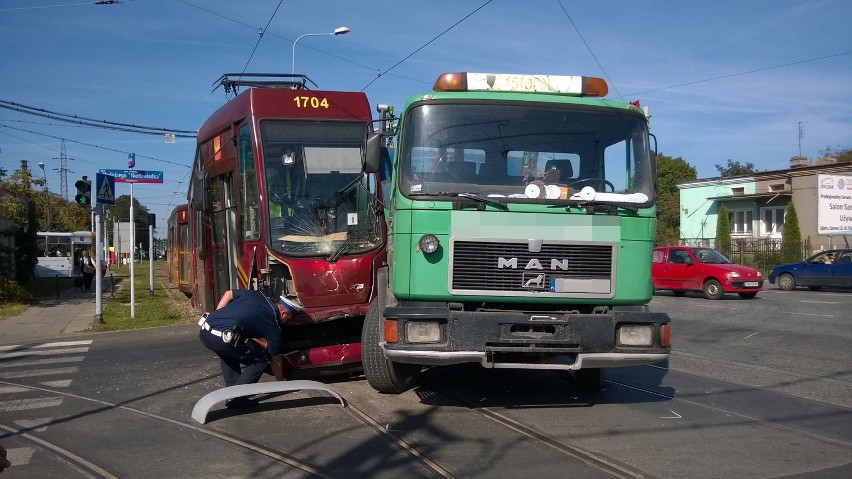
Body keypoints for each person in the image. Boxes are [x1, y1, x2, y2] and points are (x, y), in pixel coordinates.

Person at [198, 290, 292, 408]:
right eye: (288, 318)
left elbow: (228, 293)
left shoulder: (257, 295)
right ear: (283, 313)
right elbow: (275, 360)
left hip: (205, 331)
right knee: (261, 359)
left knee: (230, 351)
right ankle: (237, 397)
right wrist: (281, 383)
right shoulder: (273, 323)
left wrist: (218, 315)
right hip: (222, 338)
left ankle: (232, 389)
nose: (286, 322)